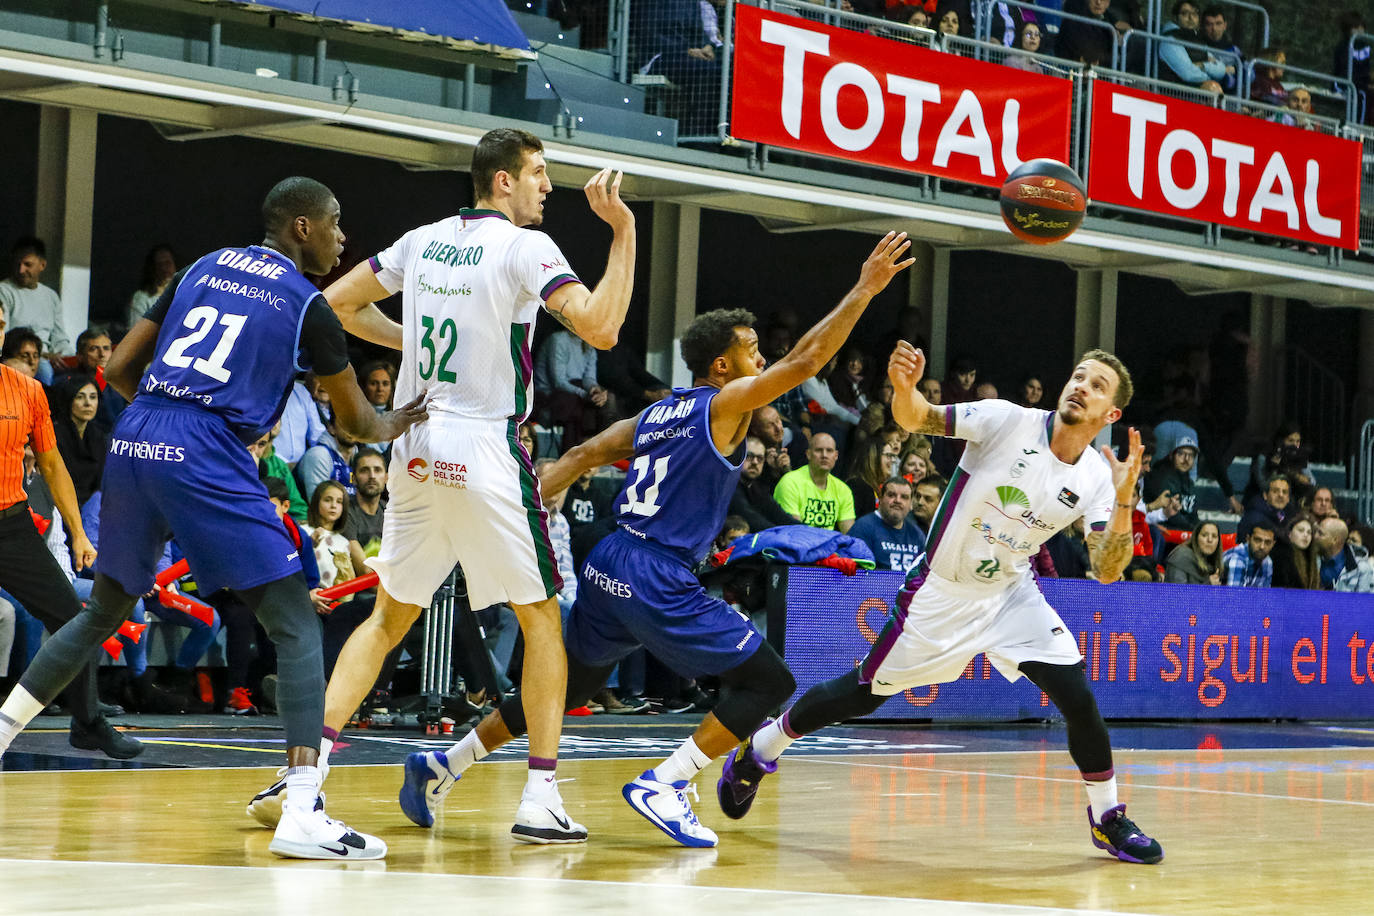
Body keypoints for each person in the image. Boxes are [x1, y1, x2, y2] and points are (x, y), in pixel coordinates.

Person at [395, 232, 915, 848]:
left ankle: (442, 764)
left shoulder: (658, 413)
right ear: (722, 367)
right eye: (752, 352)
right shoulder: (724, 406)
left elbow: (583, 454)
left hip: (611, 560)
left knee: (573, 687)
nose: (762, 362)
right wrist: (865, 289)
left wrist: (510, 509)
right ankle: (667, 783)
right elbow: (804, 364)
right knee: (770, 684)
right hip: (655, 574)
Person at [0, 177, 427, 859]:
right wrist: (403, 417)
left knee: (101, 610)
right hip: (202, 448)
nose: (345, 238)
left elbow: (119, 370)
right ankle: (301, 810)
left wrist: (173, 414)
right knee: (293, 620)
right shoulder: (307, 304)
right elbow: (355, 419)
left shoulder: (201, 266)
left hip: (138, 433)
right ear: (302, 227)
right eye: (337, 223)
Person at [246, 128, 637, 845]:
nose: (547, 187)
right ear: (502, 184)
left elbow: (331, 306)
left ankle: (305, 776)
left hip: (418, 444)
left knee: (388, 621)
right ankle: (540, 795)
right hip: (487, 445)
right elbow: (603, 328)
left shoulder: (421, 240)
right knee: (542, 619)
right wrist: (624, 233)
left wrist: (420, 329)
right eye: (539, 174)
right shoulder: (527, 248)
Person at [727, 348, 1165, 866]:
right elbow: (920, 419)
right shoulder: (1007, 420)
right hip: (942, 592)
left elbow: (1109, 568)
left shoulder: (1095, 475)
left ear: (1110, 414)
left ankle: (1107, 817)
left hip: (1011, 593)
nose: (1081, 387)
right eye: (1078, 376)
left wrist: (1122, 500)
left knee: (1077, 695)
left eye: (1096, 386)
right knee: (863, 693)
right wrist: (905, 390)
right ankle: (761, 750)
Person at [0, 313, 135, 760]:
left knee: (73, 619)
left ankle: (88, 722)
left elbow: (53, 465)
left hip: (10, 525)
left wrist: (78, 533)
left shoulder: (26, 389)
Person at [0, 237, 70, 383]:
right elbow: (5, 337)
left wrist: (68, 356)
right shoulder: (4, 290)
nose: (21, 270)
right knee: (43, 370)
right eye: (18, 264)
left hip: (49, 357)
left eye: (27, 265)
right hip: (21, 355)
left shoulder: (51, 296)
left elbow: (60, 337)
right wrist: (44, 355)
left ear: (42, 265)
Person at [773, 432, 856, 532]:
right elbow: (794, 531)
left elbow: (849, 534)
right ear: (808, 454)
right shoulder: (790, 482)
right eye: (819, 450)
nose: (824, 455)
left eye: (829, 451)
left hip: (828, 546)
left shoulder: (843, 490)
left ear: (836, 455)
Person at [49, 373, 108, 507]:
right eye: (80, 397)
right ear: (69, 400)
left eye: (93, 397)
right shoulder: (55, 435)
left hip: (92, 506)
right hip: (61, 504)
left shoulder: (98, 436)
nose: (88, 403)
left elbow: (100, 483)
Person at [848, 476, 927, 572]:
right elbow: (854, 575)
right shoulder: (862, 528)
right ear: (880, 498)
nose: (897, 500)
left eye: (904, 497)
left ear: (911, 504)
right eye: (891, 495)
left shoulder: (917, 535)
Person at [1158, 0, 1227, 93]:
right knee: (1213, 88)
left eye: (1194, 14)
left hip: (1196, 91)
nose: (1191, 18)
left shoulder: (1197, 39)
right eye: (1185, 13)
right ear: (1175, 18)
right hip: (1175, 94)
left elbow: (1221, 68)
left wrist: (1203, 65)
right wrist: (1210, 77)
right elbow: (1188, 73)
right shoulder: (1170, 40)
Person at [126, 245, 178, 332]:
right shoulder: (142, 298)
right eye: (159, 265)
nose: (164, 268)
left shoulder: (185, 291)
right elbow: (135, 331)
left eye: (167, 263)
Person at [1316, 517, 1374, 592]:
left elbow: (1362, 601)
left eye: (1320, 534)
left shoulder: (1361, 568)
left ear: (1334, 540)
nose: (1315, 536)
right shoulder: (1311, 561)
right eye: (1316, 532)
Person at [1163, 520, 1222, 585]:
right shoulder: (1181, 557)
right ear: (1196, 538)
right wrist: (1208, 584)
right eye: (1204, 535)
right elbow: (1177, 592)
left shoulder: (1215, 563)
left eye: (1214, 536)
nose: (1210, 540)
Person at [1272, 514, 1320, 590]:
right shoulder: (1281, 556)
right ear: (1289, 534)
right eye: (1301, 530)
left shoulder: (1312, 558)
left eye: (1309, 532)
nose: (1305, 535)